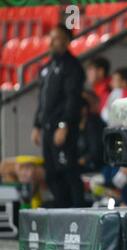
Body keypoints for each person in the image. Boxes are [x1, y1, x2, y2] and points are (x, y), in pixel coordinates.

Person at [31, 24, 86, 208]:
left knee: (68, 170)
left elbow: (73, 99)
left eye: (57, 38)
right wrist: (37, 125)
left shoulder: (73, 67)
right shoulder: (47, 67)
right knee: (51, 172)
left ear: (66, 41)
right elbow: (42, 99)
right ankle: (63, 210)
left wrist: (64, 125)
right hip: (47, 128)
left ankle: (79, 213)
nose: (52, 42)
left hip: (62, 128)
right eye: (51, 37)